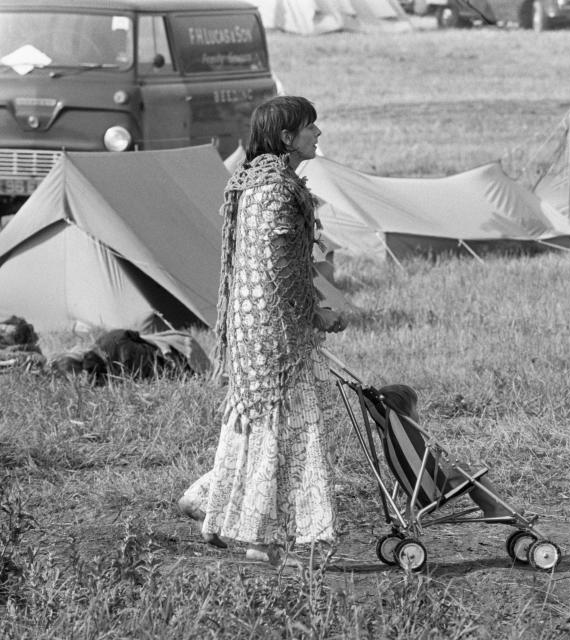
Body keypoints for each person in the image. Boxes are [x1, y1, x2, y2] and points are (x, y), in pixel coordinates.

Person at [192, 95, 348, 567]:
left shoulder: (260, 183)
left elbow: (276, 265)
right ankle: (260, 539)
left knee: (257, 422)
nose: (318, 134)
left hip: (255, 325)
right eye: (310, 127)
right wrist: (314, 314)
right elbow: (274, 269)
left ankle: (211, 509)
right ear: (286, 138)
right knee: (287, 428)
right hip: (273, 332)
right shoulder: (275, 191)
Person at [378, 384, 512, 519]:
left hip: (421, 485)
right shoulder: (409, 435)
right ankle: (497, 509)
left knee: (459, 471)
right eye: (415, 408)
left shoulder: (394, 436)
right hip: (435, 486)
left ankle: (409, 515)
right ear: (406, 412)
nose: (417, 412)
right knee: (474, 474)